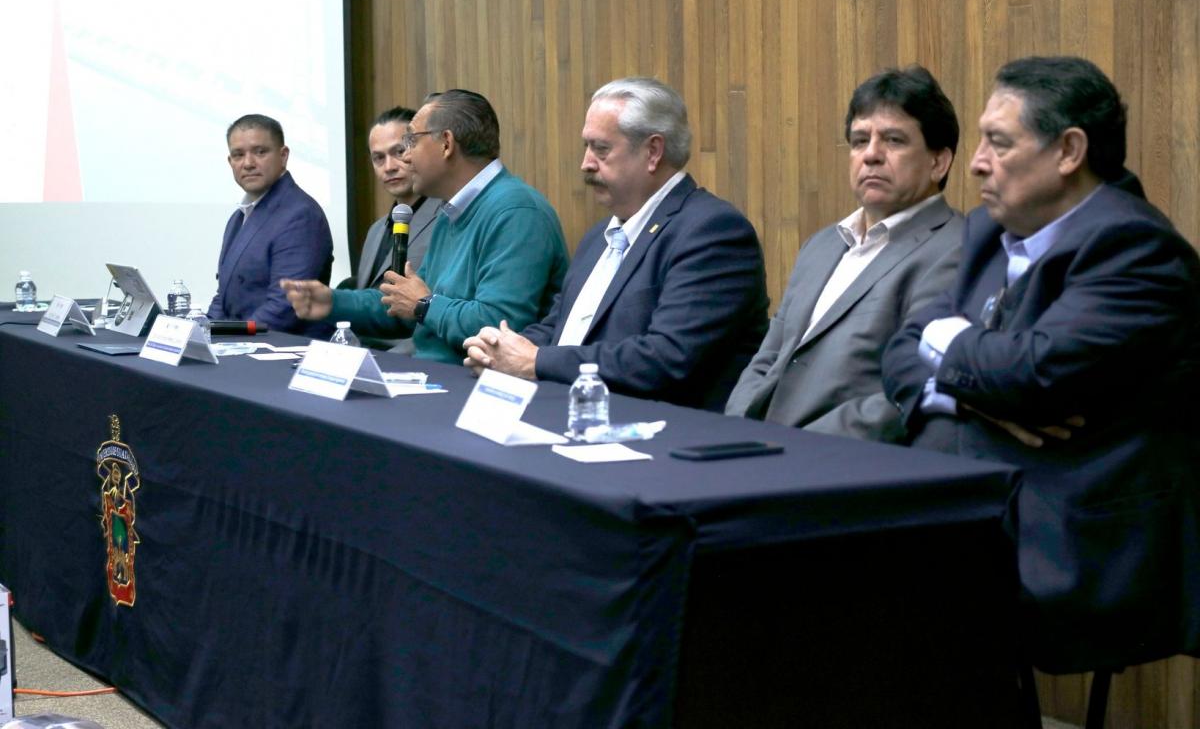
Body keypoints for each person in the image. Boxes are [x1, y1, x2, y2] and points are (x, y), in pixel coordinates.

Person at [881, 56, 1200, 672]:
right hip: (977, 504)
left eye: (999, 143)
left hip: (1072, 538)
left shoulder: (1134, 248)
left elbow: (1034, 375)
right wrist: (975, 395)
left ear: (1069, 151)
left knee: (868, 606)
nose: (975, 162)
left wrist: (956, 354)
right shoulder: (989, 232)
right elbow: (901, 348)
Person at [463, 77, 768, 411]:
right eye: (586, 147)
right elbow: (561, 327)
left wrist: (535, 361)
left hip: (662, 427)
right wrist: (500, 349)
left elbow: (665, 358)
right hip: (574, 411)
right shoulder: (600, 236)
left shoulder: (712, 231)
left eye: (601, 149)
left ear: (653, 152)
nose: (586, 163)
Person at [725, 66, 962, 441]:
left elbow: (911, 389)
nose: (871, 155)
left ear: (938, 162)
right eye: (859, 140)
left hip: (841, 458)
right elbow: (768, 358)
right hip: (755, 450)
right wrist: (735, 431)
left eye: (894, 140)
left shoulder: (955, 249)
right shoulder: (821, 246)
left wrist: (793, 447)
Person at [283, 89, 569, 362]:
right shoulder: (451, 212)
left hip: (473, 384)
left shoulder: (517, 211)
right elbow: (405, 306)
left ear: (446, 144)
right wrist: (332, 302)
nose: (405, 157)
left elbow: (498, 328)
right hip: (434, 375)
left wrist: (425, 305)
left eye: (411, 142)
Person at [209, 114, 333, 336]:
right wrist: (203, 332)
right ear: (230, 162)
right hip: (241, 345)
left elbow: (284, 308)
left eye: (260, 152)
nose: (248, 163)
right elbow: (224, 297)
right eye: (238, 155)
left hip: (283, 349)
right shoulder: (238, 217)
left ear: (283, 156)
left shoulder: (300, 214)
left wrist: (228, 339)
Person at [353, 106, 443, 288]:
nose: (389, 167)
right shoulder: (375, 231)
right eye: (379, 158)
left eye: (399, 151)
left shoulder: (446, 219)